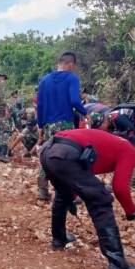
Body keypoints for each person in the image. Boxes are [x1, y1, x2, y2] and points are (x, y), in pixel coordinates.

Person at [40, 129, 135, 269]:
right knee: (101, 201)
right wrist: (131, 212)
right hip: (66, 153)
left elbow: (78, 175)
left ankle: (59, 239)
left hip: (47, 150)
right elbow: (120, 188)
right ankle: (118, 266)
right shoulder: (130, 151)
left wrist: (73, 195)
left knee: (63, 195)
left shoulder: (110, 142)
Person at [35, 51, 87, 201]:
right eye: (73, 66)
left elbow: (40, 105)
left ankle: (42, 190)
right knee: (67, 156)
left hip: (48, 124)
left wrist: (40, 125)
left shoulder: (44, 80)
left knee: (47, 155)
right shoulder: (72, 78)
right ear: (70, 64)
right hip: (65, 123)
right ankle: (68, 193)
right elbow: (75, 101)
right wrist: (85, 112)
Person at [90, 104, 135, 193]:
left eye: (99, 129)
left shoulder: (117, 118)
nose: (100, 131)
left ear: (102, 122)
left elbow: (133, 135)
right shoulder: (111, 123)